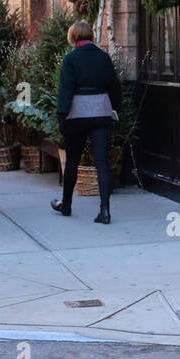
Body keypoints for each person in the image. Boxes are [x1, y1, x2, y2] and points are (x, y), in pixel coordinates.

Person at [51, 20, 123, 224]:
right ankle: (105, 210)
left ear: (73, 37)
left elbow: (65, 90)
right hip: (102, 113)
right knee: (102, 162)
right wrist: (116, 108)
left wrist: (61, 115)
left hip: (77, 115)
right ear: (90, 36)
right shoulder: (103, 57)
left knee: (72, 160)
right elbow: (114, 86)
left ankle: (66, 205)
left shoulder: (70, 58)